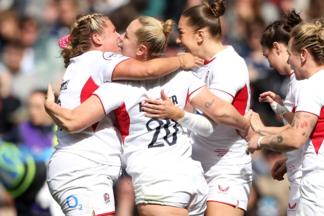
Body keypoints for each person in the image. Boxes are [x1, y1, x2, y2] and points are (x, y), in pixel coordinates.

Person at [45, 16, 250, 216]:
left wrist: (51, 108)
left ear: (141, 49)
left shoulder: (117, 87)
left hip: (157, 186)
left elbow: (74, 120)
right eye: (117, 33)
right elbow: (215, 118)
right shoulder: (185, 76)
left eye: (125, 36)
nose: (119, 38)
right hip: (192, 181)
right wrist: (246, 124)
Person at [247, 19, 324, 215]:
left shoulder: (312, 86)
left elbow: (296, 137)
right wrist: (289, 161)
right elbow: (323, 132)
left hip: (322, 190)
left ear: (303, 55)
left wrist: (260, 140)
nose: (289, 62)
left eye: (290, 55)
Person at [174, 1, 252, 215]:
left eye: (181, 33)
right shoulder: (196, 64)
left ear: (199, 35)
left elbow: (213, 119)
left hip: (225, 168)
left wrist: (176, 114)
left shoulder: (228, 64)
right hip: (192, 166)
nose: (177, 39)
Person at [258, 10, 303, 216]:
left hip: (311, 186)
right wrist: (279, 106)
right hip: (301, 177)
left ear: (277, 47)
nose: (268, 63)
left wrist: (259, 135)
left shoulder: (301, 81)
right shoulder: (294, 82)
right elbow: (301, 125)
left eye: (267, 56)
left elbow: (299, 134)